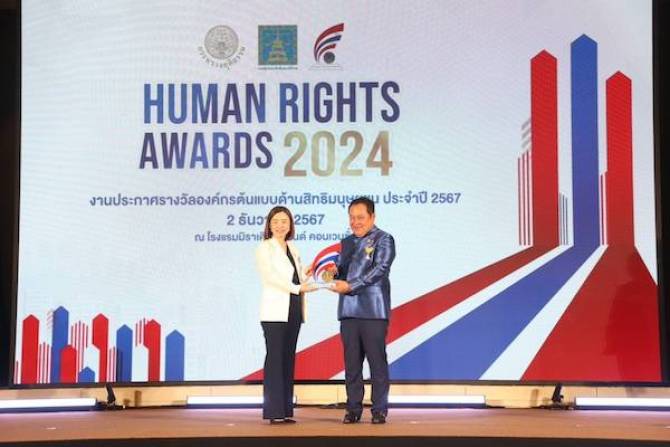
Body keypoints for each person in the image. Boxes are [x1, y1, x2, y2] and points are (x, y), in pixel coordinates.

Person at [329, 197, 396, 424]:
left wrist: (351, 286)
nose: (355, 222)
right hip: (348, 310)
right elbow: (341, 272)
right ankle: (353, 408)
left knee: (377, 362)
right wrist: (330, 272)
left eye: (360, 217)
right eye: (352, 217)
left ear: (372, 217)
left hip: (373, 310)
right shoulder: (346, 242)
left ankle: (379, 409)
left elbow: (380, 269)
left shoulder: (384, 239)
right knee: (351, 364)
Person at [256, 206, 316, 424]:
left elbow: (297, 277)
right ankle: (274, 411)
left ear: (290, 224)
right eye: (276, 222)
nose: (280, 225)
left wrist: (310, 272)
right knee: (275, 359)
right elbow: (270, 277)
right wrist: (298, 288)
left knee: (288, 359)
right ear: (269, 225)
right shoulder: (265, 248)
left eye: (284, 221)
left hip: (294, 308)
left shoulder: (293, 247)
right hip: (274, 312)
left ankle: (285, 410)